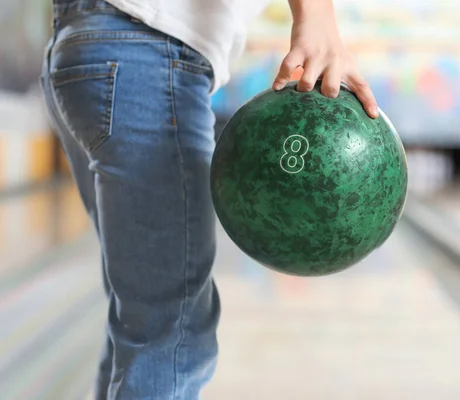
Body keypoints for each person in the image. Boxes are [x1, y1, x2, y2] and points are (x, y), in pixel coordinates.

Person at [40, 0, 378, 398]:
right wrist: (317, 18)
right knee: (171, 335)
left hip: (85, 46)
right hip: (150, 53)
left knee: (140, 325)